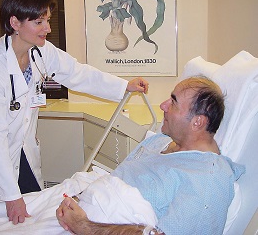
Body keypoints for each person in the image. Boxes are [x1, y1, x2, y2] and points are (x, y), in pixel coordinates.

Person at [0, 0, 149, 225]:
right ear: (15, 23)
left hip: (22, 146)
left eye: (47, 20)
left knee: (31, 213)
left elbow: (76, 73)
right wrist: (11, 197)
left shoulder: (40, 51)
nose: (47, 28)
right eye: (39, 22)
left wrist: (123, 86)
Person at [57, 76, 245, 235]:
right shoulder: (160, 141)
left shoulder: (207, 181)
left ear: (198, 122)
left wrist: (84, 226)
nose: (163, 105)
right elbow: (118, 178)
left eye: (173, 102)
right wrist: (78, 200)